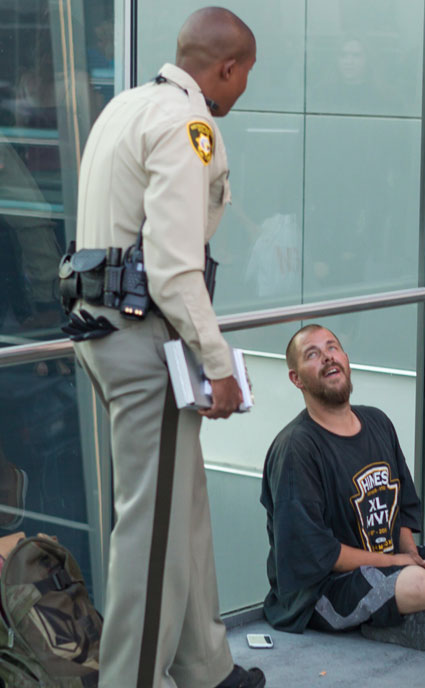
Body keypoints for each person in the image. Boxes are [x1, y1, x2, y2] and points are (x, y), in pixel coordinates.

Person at [72, 8, 264, 688]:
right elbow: (176, 266)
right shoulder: (190, 127)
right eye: (246, 77)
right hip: (146, 338)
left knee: (182, 508)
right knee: (152, 537)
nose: (243, 91)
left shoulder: (126, 106)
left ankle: (206, 667)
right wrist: (220, 366)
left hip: (106, 328)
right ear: (227, 68)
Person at [260, 324, 425, 651]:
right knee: (421, 585)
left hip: (391, 563)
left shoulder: (377, 421)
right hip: (323, 591)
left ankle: (400, 617)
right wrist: (396, 565)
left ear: (346, 358)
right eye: (313, 354)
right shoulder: (296, 449)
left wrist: (408, 552)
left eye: (332, 347)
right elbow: (321, 554)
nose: (327, 357)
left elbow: (404, 508)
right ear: (297, 379)